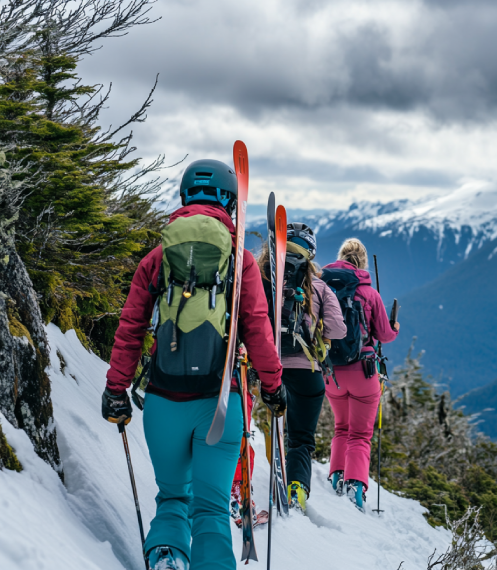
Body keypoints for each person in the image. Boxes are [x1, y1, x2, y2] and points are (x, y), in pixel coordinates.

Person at [100, 159, 284, 570]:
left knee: (172, 498)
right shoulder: (242, 263)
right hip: (220, 403)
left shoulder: (158, 257)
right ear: (230, 203)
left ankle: (167, 556)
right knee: (212, 509)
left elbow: (130, 327)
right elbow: (258, 331)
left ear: (185, 198)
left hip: (164, 401)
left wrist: (116, 389)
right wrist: (273, 387)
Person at [258, 222, 346, 513]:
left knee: (273, 420)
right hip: (307, 369)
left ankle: (272, 471)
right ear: (311, 252)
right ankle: (296, 488)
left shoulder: (261, 276)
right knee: (302, 438)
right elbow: (337, 330)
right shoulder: (319, 286)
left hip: (266, 363)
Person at [323, 238, 399, 511]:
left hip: (332, 373)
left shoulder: (323, 287)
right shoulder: (369, 293)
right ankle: (356, 485)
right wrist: (395, 325)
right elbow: (384, 336)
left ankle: (336, 476)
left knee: (340, 427)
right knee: (360, 434)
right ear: (363, 263)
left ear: (340, 258)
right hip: (364, 371)